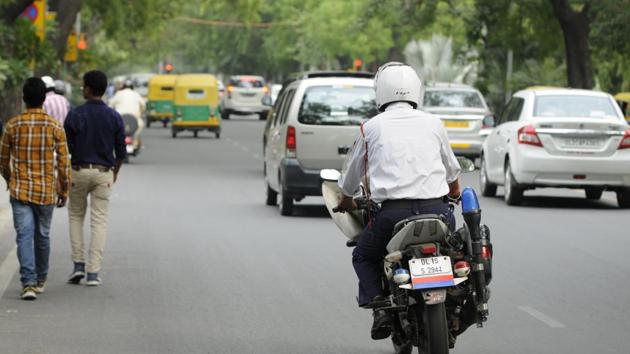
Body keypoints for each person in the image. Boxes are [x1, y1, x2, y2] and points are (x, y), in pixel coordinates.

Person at [335, 62, 462, 340]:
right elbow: (452, 171)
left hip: (393, 216)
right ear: (416, 90)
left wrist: (345, 200)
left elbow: (351, 175)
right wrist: (454, 193)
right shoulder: (433, 123)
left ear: (380, 92)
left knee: (364, 255)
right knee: (455, 250)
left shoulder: (370, 128)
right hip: (438, 212)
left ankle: (381, 308)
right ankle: (455, 295)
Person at [0, 77, 70, 300]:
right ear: (43, 99)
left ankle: (28, 283)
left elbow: (2, 160)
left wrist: (10, 179)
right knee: (43, 235)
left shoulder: (12, 125)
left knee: (23, 235)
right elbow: (63, 163)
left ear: (23, 99)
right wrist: (64, 189)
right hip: (46, 191)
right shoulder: (55, 126)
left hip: (20, 190)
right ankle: (40, 278)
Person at [64, 70, 127, 286]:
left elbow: (66, 147)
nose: (82, 89)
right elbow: (121, 151)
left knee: (75, 216)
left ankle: (78, 265)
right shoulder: (113, 116)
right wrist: (115, 172)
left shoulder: (75, 114)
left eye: (83, 86)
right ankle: (93, 272)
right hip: (104, 173)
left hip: (78, 171)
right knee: (99, 221)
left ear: (89, 89)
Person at [108, 79, 145, 146]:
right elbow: (143, 105)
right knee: (141, 125)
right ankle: (134, 142)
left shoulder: (119, 93)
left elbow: (110, 104)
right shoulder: (136, 94)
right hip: (134, 118)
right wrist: (140, 112)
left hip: (119, 117)